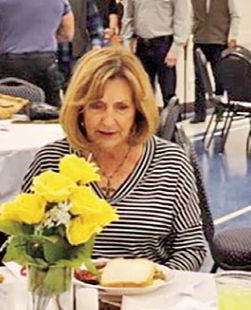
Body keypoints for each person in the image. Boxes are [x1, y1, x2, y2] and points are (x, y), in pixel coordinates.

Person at [22, 46, 207, 271]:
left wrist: (157, 279)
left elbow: (191, 247)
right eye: (96, 106)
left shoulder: (171, 163)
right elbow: (24, 243)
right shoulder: (51, 162)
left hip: (150, 288)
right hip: (68, 289)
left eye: (122, 108)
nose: (108, 121)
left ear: (138, 111)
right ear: (79, 109)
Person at [121, 0, 189, 105]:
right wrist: (126, 44)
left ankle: (172, 121)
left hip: (164, 46)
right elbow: (128, 17)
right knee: (143, 93)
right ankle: (148, 121)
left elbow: (182, 19)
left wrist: (176, 48)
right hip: (142, 46)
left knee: (168, 93)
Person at [190, 0, 239, 122]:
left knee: (220, 76)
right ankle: (199, 112)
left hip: (219, 41)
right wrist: (186, 35)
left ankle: (220, 110)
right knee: (199, 79)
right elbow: (192, 16)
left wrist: (232, 35)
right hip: (200, 39)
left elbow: (234, 15)